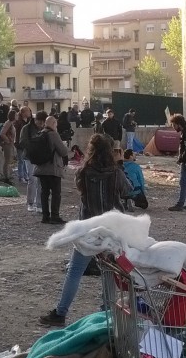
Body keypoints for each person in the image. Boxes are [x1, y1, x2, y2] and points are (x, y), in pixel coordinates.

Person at [38, 133, 130, 327]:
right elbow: (128, 190)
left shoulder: (83, 172)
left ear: (91, 151)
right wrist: (120, 165)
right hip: (112, 229)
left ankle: (60, 313)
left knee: (75, 271)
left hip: (88, 228)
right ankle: (106, 312)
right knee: (108, 271)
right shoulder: (116, 173)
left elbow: (81, 191)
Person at [34, 114, 69, 225]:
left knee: (44, 193)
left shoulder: (40, 133)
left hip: (41, 168)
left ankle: (45, 216)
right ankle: (55, 216)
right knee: (56, 193)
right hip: (53, 168)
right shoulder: (53, 134)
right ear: (53, 124)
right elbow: (63, 151)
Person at [19, 110, 46, 212]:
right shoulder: (26, 128)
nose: (41, 125)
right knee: (32, 179)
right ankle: (30, 202)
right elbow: (22, 142)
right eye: (40, 122)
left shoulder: (44, 128)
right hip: (29, 157)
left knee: (40, 181)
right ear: (36, 120)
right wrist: (34, 146)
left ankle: (39, 204)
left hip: (40, 157)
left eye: (43, 123)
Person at [14, 106, 33, 183]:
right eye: (28, 111)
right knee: (21, 161)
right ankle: (21, 177)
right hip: (19, 143)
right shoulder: (18, 122)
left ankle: (26, 176)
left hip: (26, 143)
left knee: (25, 160)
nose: (30, 113)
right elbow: (16, 133)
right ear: (23, 112)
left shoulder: (29, 121)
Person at [0, 109, 18, 184]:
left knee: (9, 161)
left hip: (10, 144)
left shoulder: (11, 123)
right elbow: (2, 133)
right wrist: (7, 141)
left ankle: (7, 176)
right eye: (16, 115)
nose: (17, 116)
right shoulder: (8, 123)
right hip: (7, 145)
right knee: (7, 161)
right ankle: (6, 177)